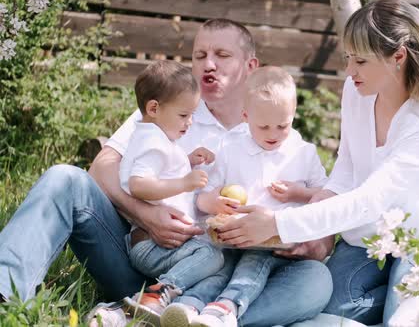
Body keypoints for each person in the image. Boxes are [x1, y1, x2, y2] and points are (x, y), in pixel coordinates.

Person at [0, 18, 332, 327]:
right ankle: (4, 293)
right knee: (64, 179)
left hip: (231, 281)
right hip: (144, 262)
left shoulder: (281, 136)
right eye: (199, 55)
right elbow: (102, 167)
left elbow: (320, 219)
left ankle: (169, 318)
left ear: (251, 66)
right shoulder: (171, 105)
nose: (208, 64)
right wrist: (145, 214)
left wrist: (313, 244)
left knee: (317, 280)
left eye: (222, 55)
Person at [215, 0, 419, 325]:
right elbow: (347, 167)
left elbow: (370, 200)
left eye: (360, 61)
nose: (350, 71)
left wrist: (279, 224)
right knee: (327, 312)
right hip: (367, 241)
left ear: (398, 58)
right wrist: (319, 228)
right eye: (349, 58)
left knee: (402, 321)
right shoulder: (356, 91)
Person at [158, 66, 328, 327]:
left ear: (294, 116)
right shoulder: (230, 148)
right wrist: (211, 201)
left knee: (253, 264)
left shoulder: (303, 153)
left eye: (283, 125)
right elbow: (203, 195)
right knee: (219, 269)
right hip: (231, 240)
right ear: (246, 117)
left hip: (275, 244)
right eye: (263, 126)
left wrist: (298, 193)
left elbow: (327, 196)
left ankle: (225, 308)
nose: (273, 134)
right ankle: (188, 306)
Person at [117, 60, 224, 324]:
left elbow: (160, 171)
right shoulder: (153, 142)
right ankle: (158, 292)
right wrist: (185, 183)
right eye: (184, 115)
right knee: (212, 256)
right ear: (154, 108)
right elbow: (139, 184)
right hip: (150, 246)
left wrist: (187, 160)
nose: (190, 122)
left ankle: (169, 303)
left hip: (155, 244)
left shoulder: (154, 137)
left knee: (211, 262)